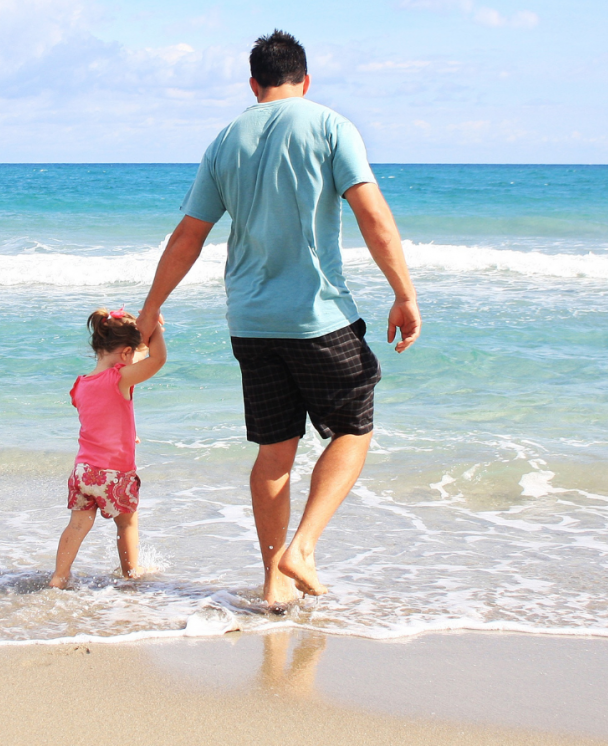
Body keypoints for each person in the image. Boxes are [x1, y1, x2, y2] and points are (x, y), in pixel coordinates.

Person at [135, 30, 421, 610]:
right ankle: (304, 548)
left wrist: (151, 307)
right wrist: (404, 293)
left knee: (274, 452)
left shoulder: (225, 140)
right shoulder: (330, 125)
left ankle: (274, 582)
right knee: (354, 428)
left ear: (253, 84)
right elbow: (371, 213)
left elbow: (190, 234)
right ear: (305, 80)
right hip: (316, 317)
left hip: (250, 321)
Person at [49, 308, 167, 589]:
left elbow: (102, 417)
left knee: (77, 526)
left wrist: (129, 433)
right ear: (126, 354)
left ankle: (59, 577)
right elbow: (157, 359)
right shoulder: (119, 379)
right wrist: (157, 330)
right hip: (115, 474)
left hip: (83, 473)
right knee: (126, 525)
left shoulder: (80, 385)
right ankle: (131, 575)